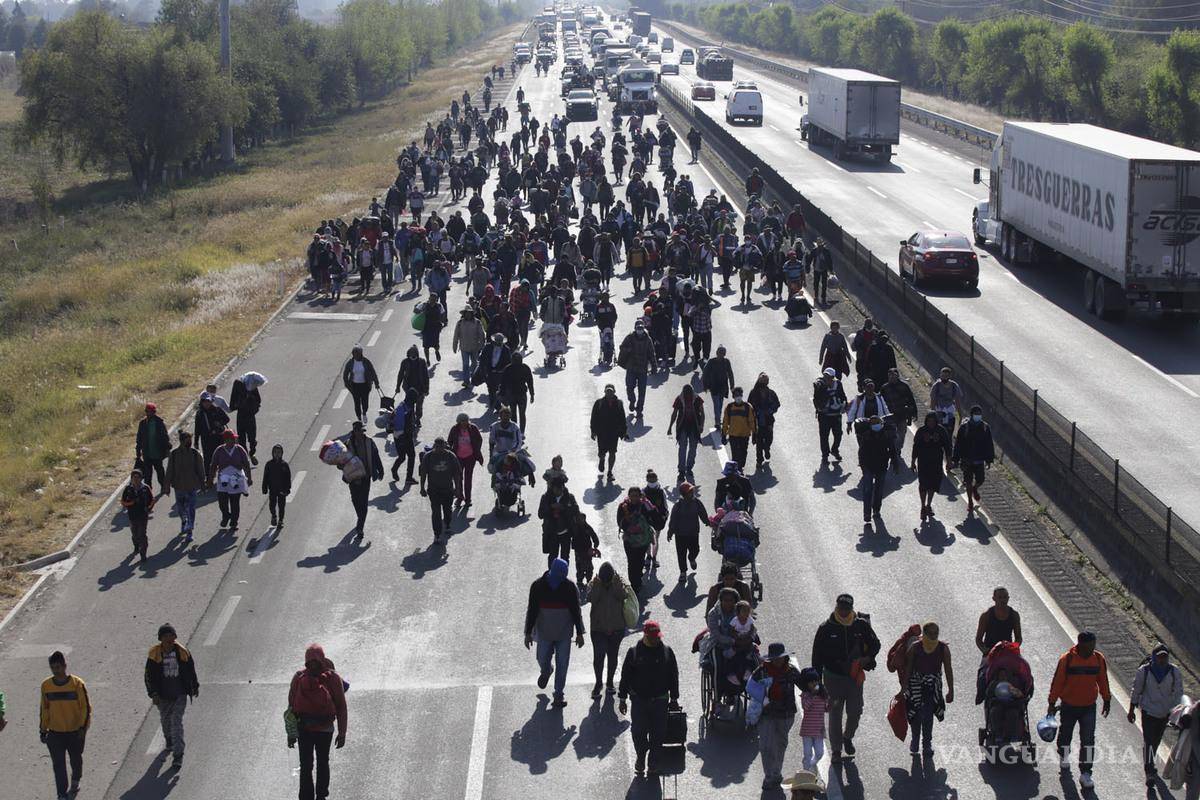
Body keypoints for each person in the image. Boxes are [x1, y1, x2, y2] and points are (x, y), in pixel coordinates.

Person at [810, 594, 881, 764]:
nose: (843, 611)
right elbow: (817, 656)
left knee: (855, 711)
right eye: (841, 607)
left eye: (847, 608)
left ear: (851, 608)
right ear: (836, 607)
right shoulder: (826, 628)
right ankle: (836, 750)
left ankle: (847, 736)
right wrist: (817, 682)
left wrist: (866, 659)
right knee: (835, 714)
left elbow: (875, 644)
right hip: (833, 678)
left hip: (854, 678)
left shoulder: (860, 625)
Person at [1047, 631, 1111, 790]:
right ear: (1080, 645)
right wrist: (1052, 702)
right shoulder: (1067, 659)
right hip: (1069, 705)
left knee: (1088, 740)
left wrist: (1106, 699)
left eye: (1093, 645)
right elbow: (1058, 682)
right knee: (1066, 734)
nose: (1092, 649)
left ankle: (1086, 773)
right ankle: (1064, 755)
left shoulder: (1098, 659)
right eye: (1089, 646)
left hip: (1089, 706)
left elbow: (1103, 680)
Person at [618, 620, 680, 777]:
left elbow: (674, 675)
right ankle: (641, 756)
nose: (655, 639)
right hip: (639, 700)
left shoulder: (667, 652)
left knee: (658, 734)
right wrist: (622, 697)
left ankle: (653, 763)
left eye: (657, 636)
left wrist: (674, 698)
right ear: (645, 635)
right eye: (652, 637)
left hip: (660, 699)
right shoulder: (633, 652)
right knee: (638, 732)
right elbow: (625, 676)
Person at [287, 644, 348, 800]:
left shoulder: (298, 677)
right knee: (323, 762)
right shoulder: (333, 678)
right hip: (325, 729)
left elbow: (291, 709)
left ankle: (306, 796)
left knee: (306, 765)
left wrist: (291, 734)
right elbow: (341, 706)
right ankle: (321, 795)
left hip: (304, 729)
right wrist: (342, 733)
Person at [524, 558, 586, 709]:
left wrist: (579, 632)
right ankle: (546, 670)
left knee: (563, 664)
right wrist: (528, 633)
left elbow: (576, 611)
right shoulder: (538, 586)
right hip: (544, 632)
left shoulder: (570, 587)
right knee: (541, 658)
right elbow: (532, 610)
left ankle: (558, 694)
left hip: (564, 633)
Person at [144, 623, 200, 770]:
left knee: (176, 722)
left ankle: (178, 755)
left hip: (180, 694)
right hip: (163, 697)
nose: (169, 639)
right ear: (160, 639)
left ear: (175, 637)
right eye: (165, 636)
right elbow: (148, 677)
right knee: (165, 721)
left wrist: (194, 686)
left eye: (171, 636)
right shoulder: (154, 655)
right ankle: (169, 740)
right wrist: (153, 694)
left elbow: (191, 670)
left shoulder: (183, 652)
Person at [751, 643, 804, 790]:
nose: (777, 661)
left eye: (780, 658)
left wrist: (817, 691)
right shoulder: (762, 671)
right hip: (766, 714)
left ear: (784, 657)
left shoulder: (791, 671)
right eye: (774, 658)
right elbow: (750, 686)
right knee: (766, 746)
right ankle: (768, 777)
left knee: (780, 745)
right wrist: (762, 699)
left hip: (786, 714)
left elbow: (804, 686)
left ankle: (777, 772)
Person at [1129, 644, 1184, 785]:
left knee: (1156, 740)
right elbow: (1137, 689)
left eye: (1165, 657)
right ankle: (1149, 771)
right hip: (1148, 711)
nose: (1162, 660)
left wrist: (1177, 713)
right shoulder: (1144, 671)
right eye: (1159, 657)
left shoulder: (1174, 671)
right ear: (1154, 657)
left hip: (1164, 712)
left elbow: (1178, 693)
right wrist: (1132, 708)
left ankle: (1150, 763)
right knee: (1149, 740)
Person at [40, 651, 91, 800]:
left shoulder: (77, 684)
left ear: (65, 666)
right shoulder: (46, 685)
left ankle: (75, 781)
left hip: (75, 732)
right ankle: (61, 794)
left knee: (76, 759)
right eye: (53, 668)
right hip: (55, 733)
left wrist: (82, 728)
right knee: (58, 765)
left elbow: (85, 708)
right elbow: (44, 708)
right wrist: (43, 729)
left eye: (58, 667)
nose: (56, 671)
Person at [902, 621, 954, 756]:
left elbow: (948, 669)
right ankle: (915, 740)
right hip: (915, 685)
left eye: (935, 633)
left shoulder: (943, 648)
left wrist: (951, 690)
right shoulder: (915, 647)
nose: (933, 636)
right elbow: (908, 668)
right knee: (915, 713)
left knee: (928, 715)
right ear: (924, 634)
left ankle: (927, 744)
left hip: (932, 686)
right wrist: (904, 687)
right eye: (930, 633)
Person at [588, 562, 629, 698]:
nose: (606, 583)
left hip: (616, 628)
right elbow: (592, 598)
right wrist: (598, 585)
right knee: (598, 658)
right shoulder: (595, 583)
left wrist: (616, 582)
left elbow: (623, 595)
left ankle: (610, 682)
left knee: (612, 656)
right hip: (598, 629)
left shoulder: (619, 582)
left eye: (608, 580)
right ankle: (598, 683)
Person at [419, 437, 463, 545]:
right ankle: (437, 534)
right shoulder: (428, 457)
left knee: (447, 510)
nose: (439, 449)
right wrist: (422, 488)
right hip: (434, 490)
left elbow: (457, 474)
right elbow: (423, 473)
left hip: (448, 489)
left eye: (441, 446)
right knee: (436, 513)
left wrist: (457, 489)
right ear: (434, 446)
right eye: (437, 446)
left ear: (445, 446)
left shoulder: (451, 456)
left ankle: (447, 524)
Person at [617, 487, 660, 596]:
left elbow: (655, 516)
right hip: (629, 540)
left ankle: (637, 579)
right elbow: (619, 521)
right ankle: (634, 584)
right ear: (629, 496)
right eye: (632, 495)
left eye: (637, 495)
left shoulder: (644, 505)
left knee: (640, 561)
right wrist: (629, 529)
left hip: (643, 540)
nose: (634, 498)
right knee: (631, 562)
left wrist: (647, 502)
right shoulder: (623, 506)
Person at [163, 431, 205, 541]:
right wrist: (166, 486)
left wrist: (203, 484)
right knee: (181, 509)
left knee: (191, 508)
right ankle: (184, 521)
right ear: (181, 441)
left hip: (192, 487)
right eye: (187, 440)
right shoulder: (174, 454)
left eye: (190, 440)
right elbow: (169, 471)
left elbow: (201, 470)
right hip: (179, 487)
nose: (189, 442)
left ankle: (190, 531)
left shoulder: (195, 454)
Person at [910, 411, 952, 522]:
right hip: (923, 463)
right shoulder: (921, 431)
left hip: (936, 463)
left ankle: (929, 504)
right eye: (929, 421)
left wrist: (948, 461)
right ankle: (923, 506)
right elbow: (916, 447)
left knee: (933, 485)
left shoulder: (941, 431)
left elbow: (947, 447)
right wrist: (913, 461)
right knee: (923, 485)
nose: (931, 423)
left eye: (933, 421)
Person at [344, 421, 383, 538]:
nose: (362, 433)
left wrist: (380, 470)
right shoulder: (348, 444)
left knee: (364, 502)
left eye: (362, 431)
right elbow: (341, 460)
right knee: (355, 500)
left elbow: (376, 455)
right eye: (360, 431)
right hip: (353, 477)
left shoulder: (369, 441)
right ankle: (360, 517)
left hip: (366, 476)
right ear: (355, 432)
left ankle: (360, 527)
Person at [953, 404, 995, 514]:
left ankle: (975, 488)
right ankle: (970, 502)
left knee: (980, 479)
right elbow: (958, 444)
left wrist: (989, 460)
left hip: (979, 460)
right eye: (976, 414)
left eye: (979, 414)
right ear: (971, 415)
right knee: (968, 481)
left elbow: (989, 444)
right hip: (967, 460)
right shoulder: (964, 427)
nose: (978, 416)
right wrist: (956, 459)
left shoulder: (985, 428)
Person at [857, 415, 898, 524]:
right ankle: (866, 513)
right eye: (873, 423)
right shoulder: (866, 436)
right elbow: (861, 452)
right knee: (867, 490)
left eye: (877, 423)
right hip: (868, 467)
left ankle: (876, 509)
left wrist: (895, 464)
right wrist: (862, 466)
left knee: (879, 491)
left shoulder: (886, 436)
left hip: (882, 466)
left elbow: (892, 450)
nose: (875, 425)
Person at [667, 482, 708, 582]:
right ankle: (683, 572)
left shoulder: (696, 502)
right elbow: (673, 519)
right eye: (690, 491)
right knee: (681, 554)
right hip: (680, 534)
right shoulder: (678, 505)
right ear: (684, 494)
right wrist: (670, 532)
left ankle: (691, 558)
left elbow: (702, 513)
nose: (692, 492)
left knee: (695, 549)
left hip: (693, 533)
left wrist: (707, 522)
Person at [668, 383, 705, 482]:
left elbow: (702, 413)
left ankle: (689, 467)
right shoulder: (679, 399)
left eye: (689, 393)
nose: (688, 395)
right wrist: (670, 427)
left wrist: (701, 425)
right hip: (682, 426)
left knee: (693, 448)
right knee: (682, 448)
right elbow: (674, 413)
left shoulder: (697, 399)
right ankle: (681, 471)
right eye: (686, 393)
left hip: (694, 427)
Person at [538, 479, 579, 568]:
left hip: (566, 533)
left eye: (560, 489)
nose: (559, 491)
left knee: (565, 558)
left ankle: (563, 577)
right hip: (552, 533)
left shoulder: (570, 497)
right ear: (552, 488)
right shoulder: (545, 498)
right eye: (556, 489)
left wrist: (563, 508)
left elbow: (576, 511)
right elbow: (540, 514)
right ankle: (551, 575)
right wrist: (550, 508)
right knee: (553, 557)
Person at [618, 321, 656, 416]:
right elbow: (622, 347)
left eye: (641, 328)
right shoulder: (629, 337)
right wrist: (628, 350)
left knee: (642, 391)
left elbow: (652, 353)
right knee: (630, 387)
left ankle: (639, 409)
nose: (640, 330)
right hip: (631, 368)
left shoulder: (648, 339)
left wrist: (654, 366)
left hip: (643, 369)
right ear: (635, 328)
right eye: (638, 328)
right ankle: (632, 401)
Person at [590, 384, 628, 481]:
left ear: (614, 392)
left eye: (611, 391)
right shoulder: (599, 403)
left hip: (613, 433)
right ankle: (602, 460)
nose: (609, 393)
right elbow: (593, 418)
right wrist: (593, 431)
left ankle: (610, 472)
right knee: (601, 452)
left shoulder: (619, 403)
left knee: (612, 452)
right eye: (607, 391)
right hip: (602, 433)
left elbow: (622, 418)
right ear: (605, 392)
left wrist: (624, 432)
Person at [446, 414, 483, 508]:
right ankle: (459, 497)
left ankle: (468, 499)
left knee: (468, 479)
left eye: (465, 421)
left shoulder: (473, 428)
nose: (464, 423)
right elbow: (449, 441)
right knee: (458, 478)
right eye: (462, 421)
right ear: (458, 422)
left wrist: (476, 451)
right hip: (458, 457)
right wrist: (450, 451)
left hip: (470, 457)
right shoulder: (454, 429)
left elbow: (479, 440)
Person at [975, 587, 1022, 656]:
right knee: (984, 667)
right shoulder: (986, 615)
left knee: (1024, 666)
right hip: (990, 654)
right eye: (999, 597)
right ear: (994, 599)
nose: (1003, 600)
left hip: (1008, 653)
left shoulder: (1014, 615)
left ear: (1008, 598)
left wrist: (1014, 648)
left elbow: (1018, 637)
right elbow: (978, 639)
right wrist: (985, 651)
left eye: (1005, 597)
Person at [121, 468, 155, 564]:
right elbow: (123, 502)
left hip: (143, 516)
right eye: (133, 477)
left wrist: (148, 509)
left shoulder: (146, 488)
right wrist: (131, 503)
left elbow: (152, 500)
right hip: (132, 516)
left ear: (141, 478)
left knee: (142, 535)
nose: (135, 479)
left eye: (137, 477)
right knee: (135, 534)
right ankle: (136, 546)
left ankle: (143, 554)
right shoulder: (128, 489)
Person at [230, 372, 265, 464]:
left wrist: (251, 398)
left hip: (250, 415)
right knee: (241, 438)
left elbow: (258, 400)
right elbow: (233, 401)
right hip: (241, 415)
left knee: (252, 438)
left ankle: (252, 452)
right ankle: (245, 457)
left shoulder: (253, 386)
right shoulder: (238, 384)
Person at [798, 667, 829, 772]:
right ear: (806, 684)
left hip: (819, 730)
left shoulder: (823, 695)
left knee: (820, 753)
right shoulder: (805, 695)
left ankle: (812, 763)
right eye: (811, 682)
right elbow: (805, 707)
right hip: (807, 730)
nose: (814, 684)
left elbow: (826, 708)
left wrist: (832, 704)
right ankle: (806, 771)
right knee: (807, 753)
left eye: (816, 681)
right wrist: (812, 695)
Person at [812, 368, 847, 462]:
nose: (826, 378)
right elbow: (816, 398)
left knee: (838, 434)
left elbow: (843, 396)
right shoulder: (820, 385)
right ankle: (825, 455)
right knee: (824, 435)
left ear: (832, 377)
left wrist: (845, 405)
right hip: (824, 415)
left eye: (828, 377)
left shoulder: (838, 384)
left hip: (836, 414)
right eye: (825, 376)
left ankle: (835, 449)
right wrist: (819, 408)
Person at [880, 368, 917, 454]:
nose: (892, 377)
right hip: (889, 415)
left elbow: (911, 399)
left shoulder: (904, 386)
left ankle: (897, 449)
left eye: (894, 375)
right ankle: (891, 448)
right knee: (888, 433)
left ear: (897, 376)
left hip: (902, 414)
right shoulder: (884, 388)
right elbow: (880, 401)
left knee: (901, 433)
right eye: (890, 376)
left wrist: (914, 413)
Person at [135, 402, 170, 493]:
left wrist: (167, 448)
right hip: (147, 453)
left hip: (157, 453)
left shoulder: (159, 422)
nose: (149, 413)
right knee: (147, 474)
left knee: (160, 472)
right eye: (148, 411)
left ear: (154, 412)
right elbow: (139, 438)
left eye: (151, 412)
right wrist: (138, 452)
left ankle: (163, 486)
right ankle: (148, 490)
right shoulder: (142, 423)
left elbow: (165, 437)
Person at [748, 373, 780, 469]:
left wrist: (770, 410)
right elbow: (749, 406)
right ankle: (759, 460)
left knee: (769, 438)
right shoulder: (753, 393)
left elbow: (777, 404)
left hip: (768, 420)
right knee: (759, 441)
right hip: (757, 421)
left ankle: (767, 449)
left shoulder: (771, 393)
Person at [193, 392, 230, 478]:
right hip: (206, 439)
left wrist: (219, 423)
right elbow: (197, 428)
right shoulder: (199, 414)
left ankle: (224, 475)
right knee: (207, 458)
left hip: (218, 437)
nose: (207, 403)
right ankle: (209, 477)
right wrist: (196, 441)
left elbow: (227, 419)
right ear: (201, 402)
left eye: (208, 401)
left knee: (221, 456)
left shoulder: (217, 410)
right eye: (204, 401)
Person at [720, 387, 757, 471]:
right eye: (736, 395)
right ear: (733, 397)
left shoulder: (748, 407)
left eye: (739, 395)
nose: (738, 397)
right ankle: (737, 470)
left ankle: (740, 467)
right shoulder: (729, 408)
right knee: (735, 455)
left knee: (743, 453)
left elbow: (752, 421)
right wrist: (723, 435)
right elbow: (725, 422)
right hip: (733, 435)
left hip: (744, 435)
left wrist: (754, 433)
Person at [342, 346, 380, 423]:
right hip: (354, 386)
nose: (356, 355)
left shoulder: (366, 362)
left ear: (361, 353)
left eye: (358, 353)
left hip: (365, 385)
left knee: (365, 402)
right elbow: (345, 374)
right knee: (357, 403)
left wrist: (376, 382)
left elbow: (372, 372)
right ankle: (359, 418)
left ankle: (364, 413)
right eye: (354, 353)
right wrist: (347, 384)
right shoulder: (350, 363)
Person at [501, 351, 536, 431]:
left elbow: (503, 383)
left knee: (513, 414)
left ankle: (515, 431)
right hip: (522, 395)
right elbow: (530, 382)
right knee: (522, 414)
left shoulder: (508, 368)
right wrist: (532, 394)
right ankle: (521, 432)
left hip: (511, 395)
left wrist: (502, 395)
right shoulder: (525, 368)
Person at [395, 346, 431, 423]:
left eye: (414, 353)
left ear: (417, 354)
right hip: (408, 387)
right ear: (408, 354)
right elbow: (400, 374)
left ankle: (418, 418)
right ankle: (411, 419)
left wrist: (427, 389)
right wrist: (397, 387)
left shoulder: (422, 361)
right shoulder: (405, 362)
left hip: (420, 388)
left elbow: (426, 376)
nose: (413, 355)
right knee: (409, 405)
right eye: (411, 353)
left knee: (419, 405)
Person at [452, 308, 486, 389]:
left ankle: (474, 380)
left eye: (469, 313)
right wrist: (455, 345)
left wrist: (482, 346)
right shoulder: (460, 323)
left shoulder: (477, 322)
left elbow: (481, 335)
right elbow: (456, 335)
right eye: (466, 313)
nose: (468, 315)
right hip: (464, 348)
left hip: (475, 347)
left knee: (474, 364)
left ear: (472, 314)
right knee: (466, 365)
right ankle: (466, 381)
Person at [261, 444, 292, 529]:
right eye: (275, 452)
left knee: (281, 506)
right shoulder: (269, 464)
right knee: (272, 505)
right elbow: (265, 477)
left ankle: (281, 520)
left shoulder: (284, 465)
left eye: (279, 452)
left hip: (282, 489)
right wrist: (264, 487)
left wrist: (287, 489)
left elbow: (288, 477)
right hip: (272, 489)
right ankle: (274, 515)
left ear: (282, 453)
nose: (277, 454)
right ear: (272, 453)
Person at [702, 344, 735, 423]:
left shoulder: (726, 362)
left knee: (720, 404)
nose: (721, 355)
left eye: (723, 353)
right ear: (717, 353)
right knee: (716, 404)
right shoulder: (711, 362)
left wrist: (732, 386)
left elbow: (730, 374)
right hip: (714, 387)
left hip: (723, 387)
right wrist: (705, 386)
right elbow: (705, 374)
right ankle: (717, 421)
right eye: (720, 353)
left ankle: (718, 418)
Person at [930, 367, 964, 439]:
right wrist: (932, 414)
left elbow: (957, 401)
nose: (944, 378)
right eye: (942, 376)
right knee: (937, 433)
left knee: (948, 435)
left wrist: (960, 415)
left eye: (946, 376)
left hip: (949, 413)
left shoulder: (954, 386)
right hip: (939, 412)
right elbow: (932, 401)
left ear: (949, 376)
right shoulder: (936, 386)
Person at [570, 511, 599, 587]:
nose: (580, 520)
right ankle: (579, 580)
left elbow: (593, 535)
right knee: (579, 567)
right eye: (579, 518)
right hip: (578, 551)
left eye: (582, 518)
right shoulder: (574, 528)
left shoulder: (587, 527)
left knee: (589, 566)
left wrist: (596, 543)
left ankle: (589, 579)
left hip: (587, 550)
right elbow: (569, 534)